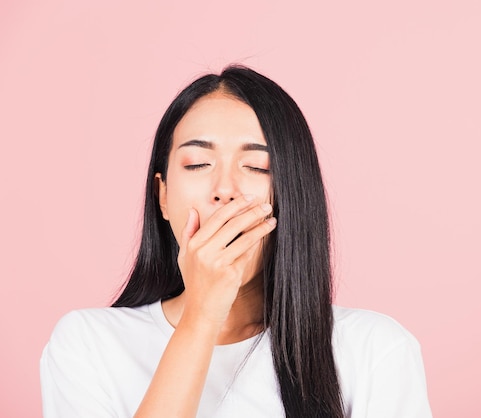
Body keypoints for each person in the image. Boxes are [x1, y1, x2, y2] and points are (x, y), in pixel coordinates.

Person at [40, 65, 432, 418]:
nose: (224, 190)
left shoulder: (374, 350)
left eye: (257, 166)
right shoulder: (88, 343)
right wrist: (201, 314)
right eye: (197, 164)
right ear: (162, 196)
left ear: (293, 194)